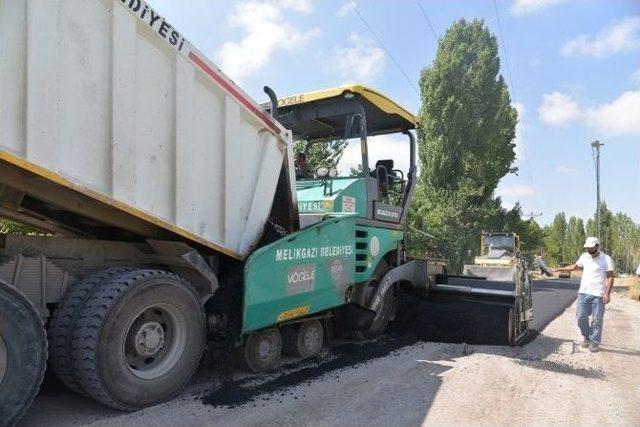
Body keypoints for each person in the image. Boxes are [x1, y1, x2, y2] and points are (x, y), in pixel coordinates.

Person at [552, 237, 614, 352]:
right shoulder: (584, 256)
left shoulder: (606, 259)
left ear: (597, 246)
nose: (589, 249)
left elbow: (610, 276)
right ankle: (586, 337)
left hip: (598, 294)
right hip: (583, 292)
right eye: (587, 248)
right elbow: (575, 267)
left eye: (591, 247)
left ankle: (594, 342)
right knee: (580, 317)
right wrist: (557, 269)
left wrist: (607, 293)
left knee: (597, 319)